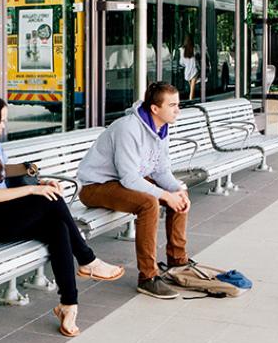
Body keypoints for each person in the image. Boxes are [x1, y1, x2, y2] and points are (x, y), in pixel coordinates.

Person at [0, 92, 123, 337]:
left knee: (58, 226)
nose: (3, 126)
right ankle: (87, 260)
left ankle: (68, 305)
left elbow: (1, 176)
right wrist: (35, 188)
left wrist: (36, 177)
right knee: (48, 201)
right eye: (0, 121)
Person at [77, 81, 192, 300]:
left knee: (178, 195)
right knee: (149, 204)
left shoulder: (161, 129)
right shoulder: (128, 128)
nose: (178, 110)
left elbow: (160, 170)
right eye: (173, 105)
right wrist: (165, 195)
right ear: (155, 109)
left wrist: (177, 189)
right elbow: (129, 177)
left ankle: (178, 261)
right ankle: (148, 278)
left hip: (121, 183)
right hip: (95, 187)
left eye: (178, 104)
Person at [179, 34, 198, 100]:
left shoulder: (182, 50)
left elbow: (181, 62)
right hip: (194, 70)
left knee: (191, 87)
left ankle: (191, 99)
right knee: (192, 88)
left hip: (187, 70)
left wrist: (186, 64)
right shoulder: (195, 48)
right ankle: (191, 99)